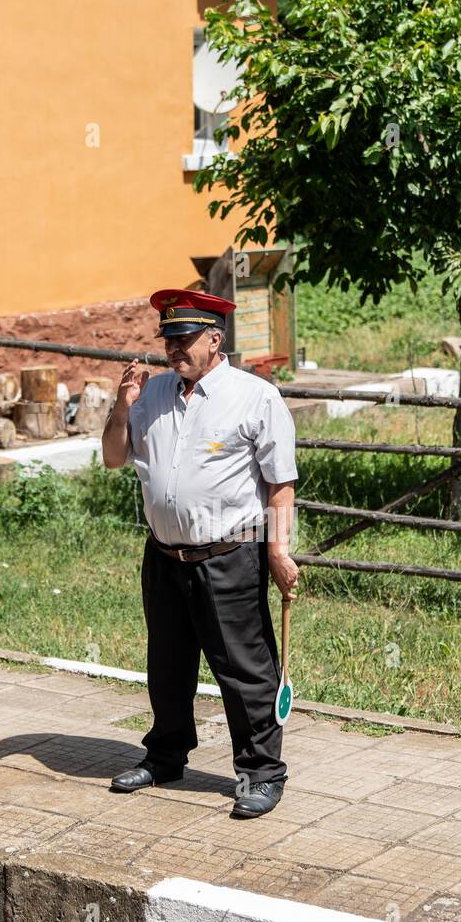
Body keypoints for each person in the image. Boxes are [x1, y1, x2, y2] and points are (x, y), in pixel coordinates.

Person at [101, 287, 299, 818]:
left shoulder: (255, 397)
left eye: (185, 339)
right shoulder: (153, 394)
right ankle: (165, 756)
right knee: (167, 665)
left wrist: (279, 551)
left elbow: (280, 484)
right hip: (164, 556)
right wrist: (121, 410)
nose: (174, 349)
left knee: (244, 668)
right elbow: (114, 458)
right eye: (168, 339)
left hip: (230, 555)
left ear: (215, 339)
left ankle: (260, 771)